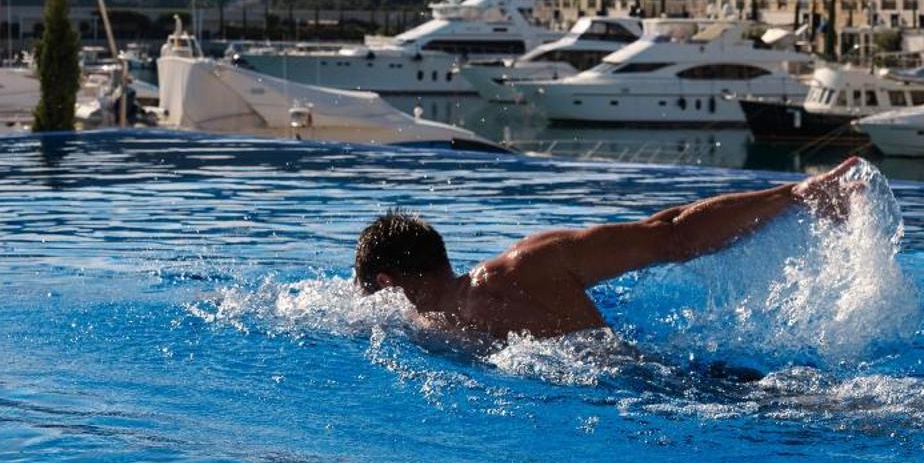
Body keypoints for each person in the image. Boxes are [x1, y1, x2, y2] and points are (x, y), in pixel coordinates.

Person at [353, 156, 867, 339]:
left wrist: (794, 196)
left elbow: (671, 234)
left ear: (385, 284)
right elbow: (671, 237)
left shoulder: (523, 267)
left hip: (652, 391)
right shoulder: (429, 325)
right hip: (644, 395)